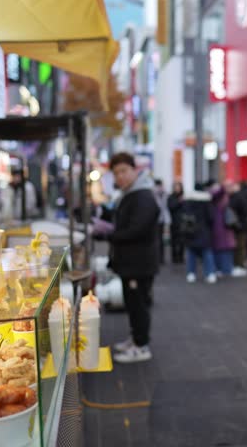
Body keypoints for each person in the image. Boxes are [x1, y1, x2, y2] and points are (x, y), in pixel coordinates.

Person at [102, 153, 160, 364]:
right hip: (131, 262)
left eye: (124, 171)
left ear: (134, 170)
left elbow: (137, 230)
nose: (120, 176)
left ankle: (141, 346)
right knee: (133, 303)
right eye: (116, 173)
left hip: (140, 263)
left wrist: (109, 233)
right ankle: (135, 338)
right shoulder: (128, 194)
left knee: (139, 305)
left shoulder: (142, 195)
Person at [180, 184, 217, 284]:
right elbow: (211, 217)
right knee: (207, 252)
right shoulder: (206, 201)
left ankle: (191, 273)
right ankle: (210, 273)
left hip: (190, 231)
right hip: (203, 230)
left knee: (191, 253)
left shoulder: (188, 201)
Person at [210, 184, 247, 278]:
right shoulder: (219, 206)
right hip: (223, 232)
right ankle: (225, 269)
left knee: (222, 250)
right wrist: (224, 187)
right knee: (224, 250)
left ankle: (221, 269)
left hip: (222, 232)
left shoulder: (217, 207)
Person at [229, 180, 247, 271]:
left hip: (239, 226)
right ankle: (240, 264)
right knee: (241, 246)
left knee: (240, 246)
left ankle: (239, 265)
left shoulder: (236, 198)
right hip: (242, 225)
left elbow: (244, 211)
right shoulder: (238, 197)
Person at [167, 182, 185, 263]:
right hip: (174, 222)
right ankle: (174, 257)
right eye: (175, 187)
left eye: (178, 187)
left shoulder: (184, 196)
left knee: (182, 241)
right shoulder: (171, 197)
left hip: (183, 222)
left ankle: (181, 257)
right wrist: (179, 201)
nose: (177, 188)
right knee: (174, 241)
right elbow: (171, 207)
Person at [153, 179, 170, 264]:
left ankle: (161, 258)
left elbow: (166, 206)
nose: (159, 188)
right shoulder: (152, 194)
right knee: (156, 239)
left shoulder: (165, 194)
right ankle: (157, 257)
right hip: (155, 220)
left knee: (161, 239)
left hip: (162, 219)